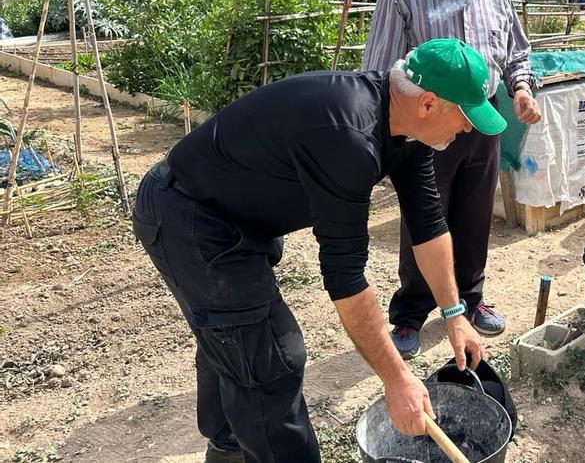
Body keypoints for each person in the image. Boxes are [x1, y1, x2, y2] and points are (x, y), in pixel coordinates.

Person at [132, 38, 498, 463]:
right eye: (465, 116)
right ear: (430, 104)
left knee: (237, 340)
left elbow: (429, 226)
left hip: (236, 218)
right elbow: (345, 278)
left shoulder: (408, 131)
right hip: (189, 217)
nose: (469, 129)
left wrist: (454, 315)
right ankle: (237, 446)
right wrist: (397, 380)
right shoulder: (348, 140)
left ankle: (228, 448)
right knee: (272, 358)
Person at [362, 0, 542, 359]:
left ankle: (471, 296)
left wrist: (520, 88)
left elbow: (517, 53)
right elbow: (380, 69)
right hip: (428, 125)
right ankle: (412, 310)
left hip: (479, 119)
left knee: (475, 210)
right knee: (426, 214)